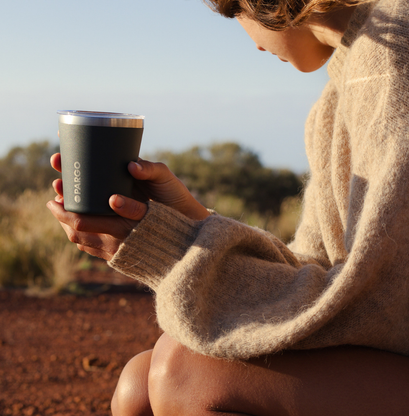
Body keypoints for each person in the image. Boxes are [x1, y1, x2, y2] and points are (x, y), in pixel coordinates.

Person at [47, 0, 409, 413]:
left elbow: (380, 306)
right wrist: (192, 223)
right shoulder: (339, 88)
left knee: (182, 374)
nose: (250, 40)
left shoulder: (392, 50)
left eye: (236, 10)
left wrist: (175, 251)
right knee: (138, 384)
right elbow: (317, 269)